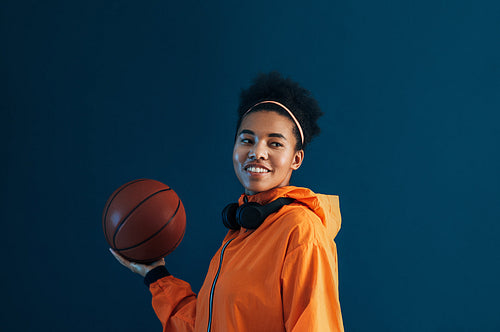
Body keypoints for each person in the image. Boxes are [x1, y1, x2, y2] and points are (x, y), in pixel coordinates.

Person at [111, 72, 344, 331]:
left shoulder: (301, 231)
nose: (257, 152)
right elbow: (205, 325)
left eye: (275, 143)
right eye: (247, 140)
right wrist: (155, 274)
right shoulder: (240, 231)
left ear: (296, 159)